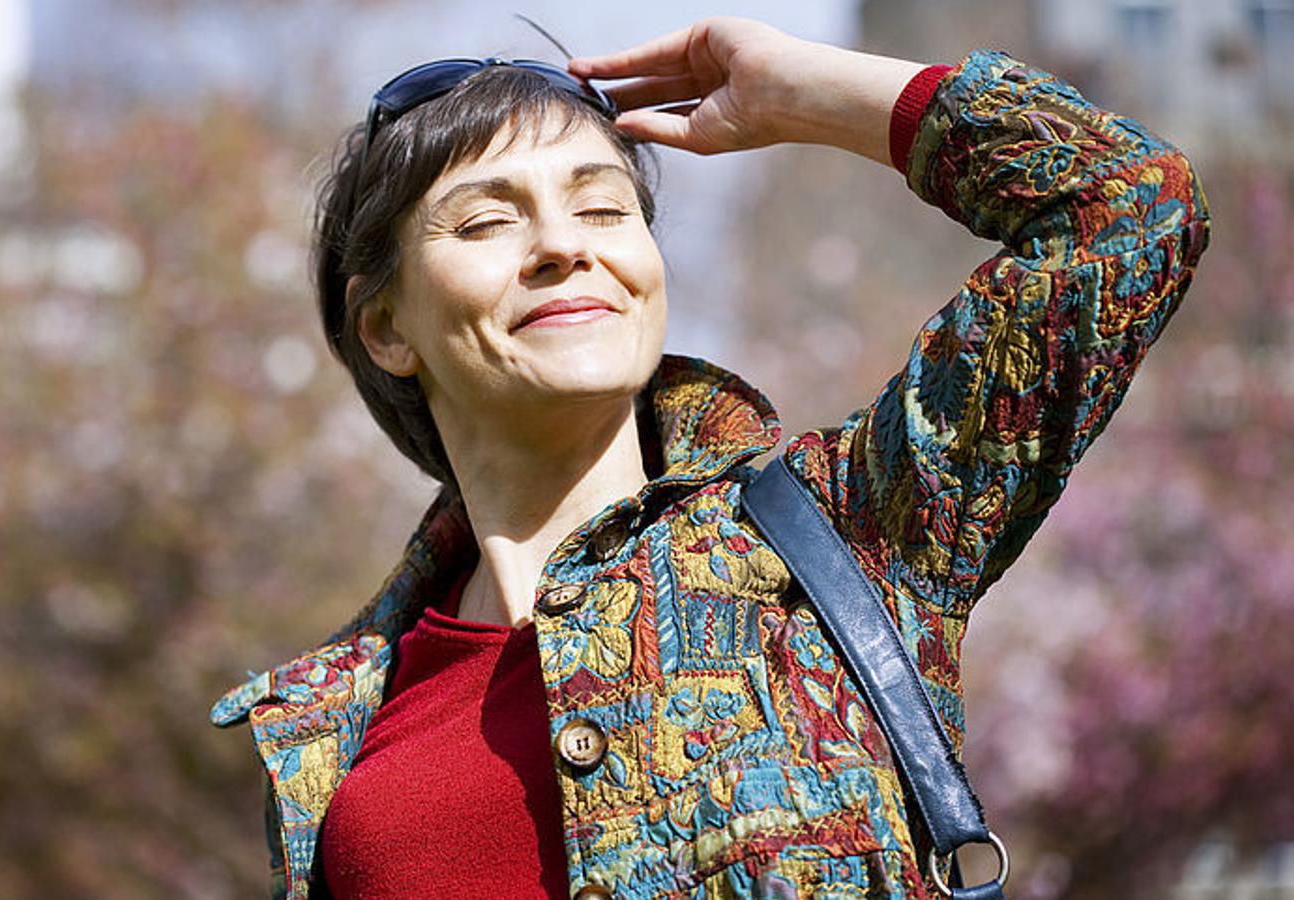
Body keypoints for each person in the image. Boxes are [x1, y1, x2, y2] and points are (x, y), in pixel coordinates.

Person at [211, 16, 1211, 900]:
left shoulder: (850, 531)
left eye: (605, 209)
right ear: (385, 327)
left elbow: (1130, 205)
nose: (564, 245)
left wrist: (812, 96)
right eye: (485, 220)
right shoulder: (326, 735)